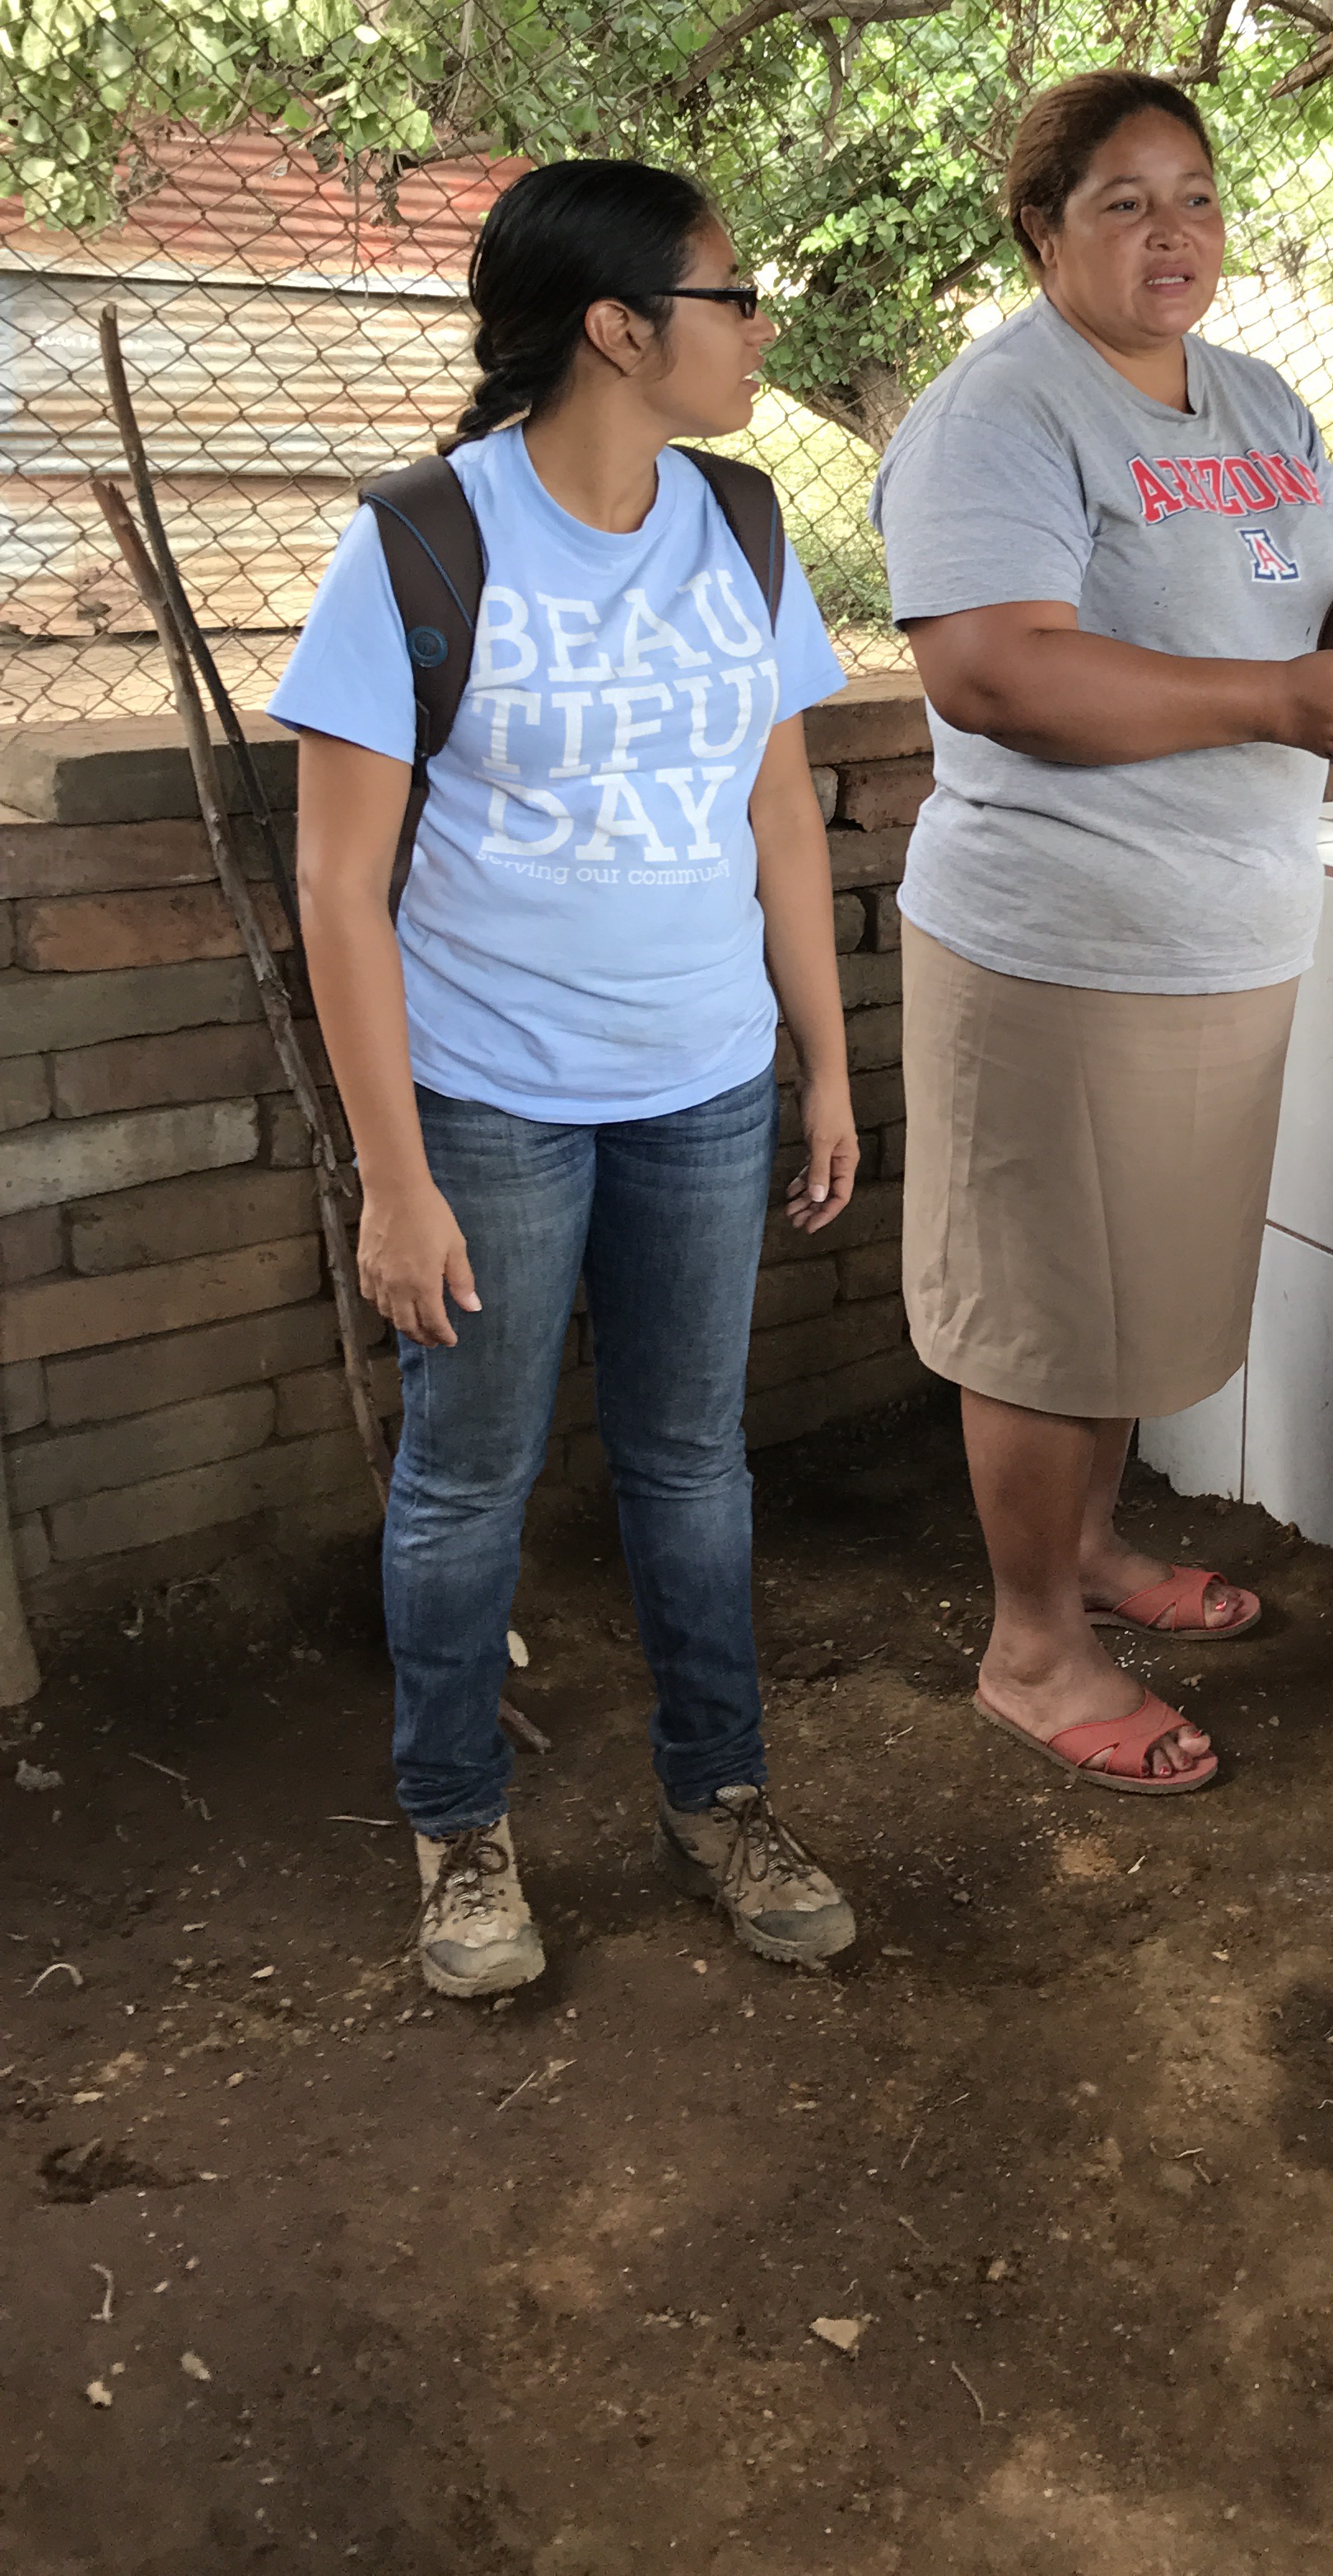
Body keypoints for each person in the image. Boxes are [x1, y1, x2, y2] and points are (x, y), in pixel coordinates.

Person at [870, 69, 1333, 1795]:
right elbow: (996, 673)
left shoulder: (1256, 399)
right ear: (1041, 230)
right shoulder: (1001, 414)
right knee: (1046, 1312)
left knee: (1135, 1294)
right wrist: (1273, 701)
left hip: (1225, 928)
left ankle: (1091, 1549)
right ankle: (1033, 1650)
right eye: (1123, 201)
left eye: (1194, 196)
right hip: (1059, 940)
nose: (1172, 232)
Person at [276, 160, 861, 2000]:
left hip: (706, 1082)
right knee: (470, 1479)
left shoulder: (741, 524)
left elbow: (781, 813)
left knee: (693, 1463)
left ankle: (721, 1795)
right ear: (619, 328)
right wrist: (396, 1176)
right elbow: (338, 888)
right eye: (730, 296)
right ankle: (458, 1829)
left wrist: (825, 1065)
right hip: (489, 1100)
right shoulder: (421, 545)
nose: (758, 329)